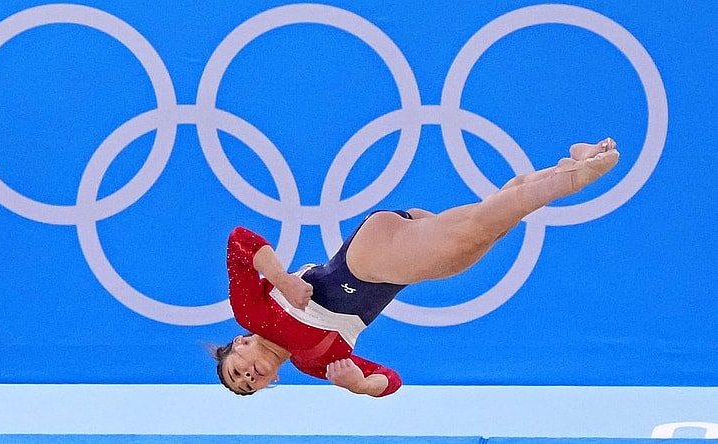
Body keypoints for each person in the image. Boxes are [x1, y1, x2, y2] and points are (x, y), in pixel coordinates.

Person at [213, 138, 620, 397]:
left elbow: (241, 241)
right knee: (487, 229)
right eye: (251, 385)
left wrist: (283, 281)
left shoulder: (251, 312)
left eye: (237, 371)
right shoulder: (315, 364)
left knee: (479, 229)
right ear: (272, 382)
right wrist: (359, 386)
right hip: (400, 267)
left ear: (240, 343)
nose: (249, 376)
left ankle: (571, 178)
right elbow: (389, 379)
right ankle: (566, 163)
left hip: (366, 259)